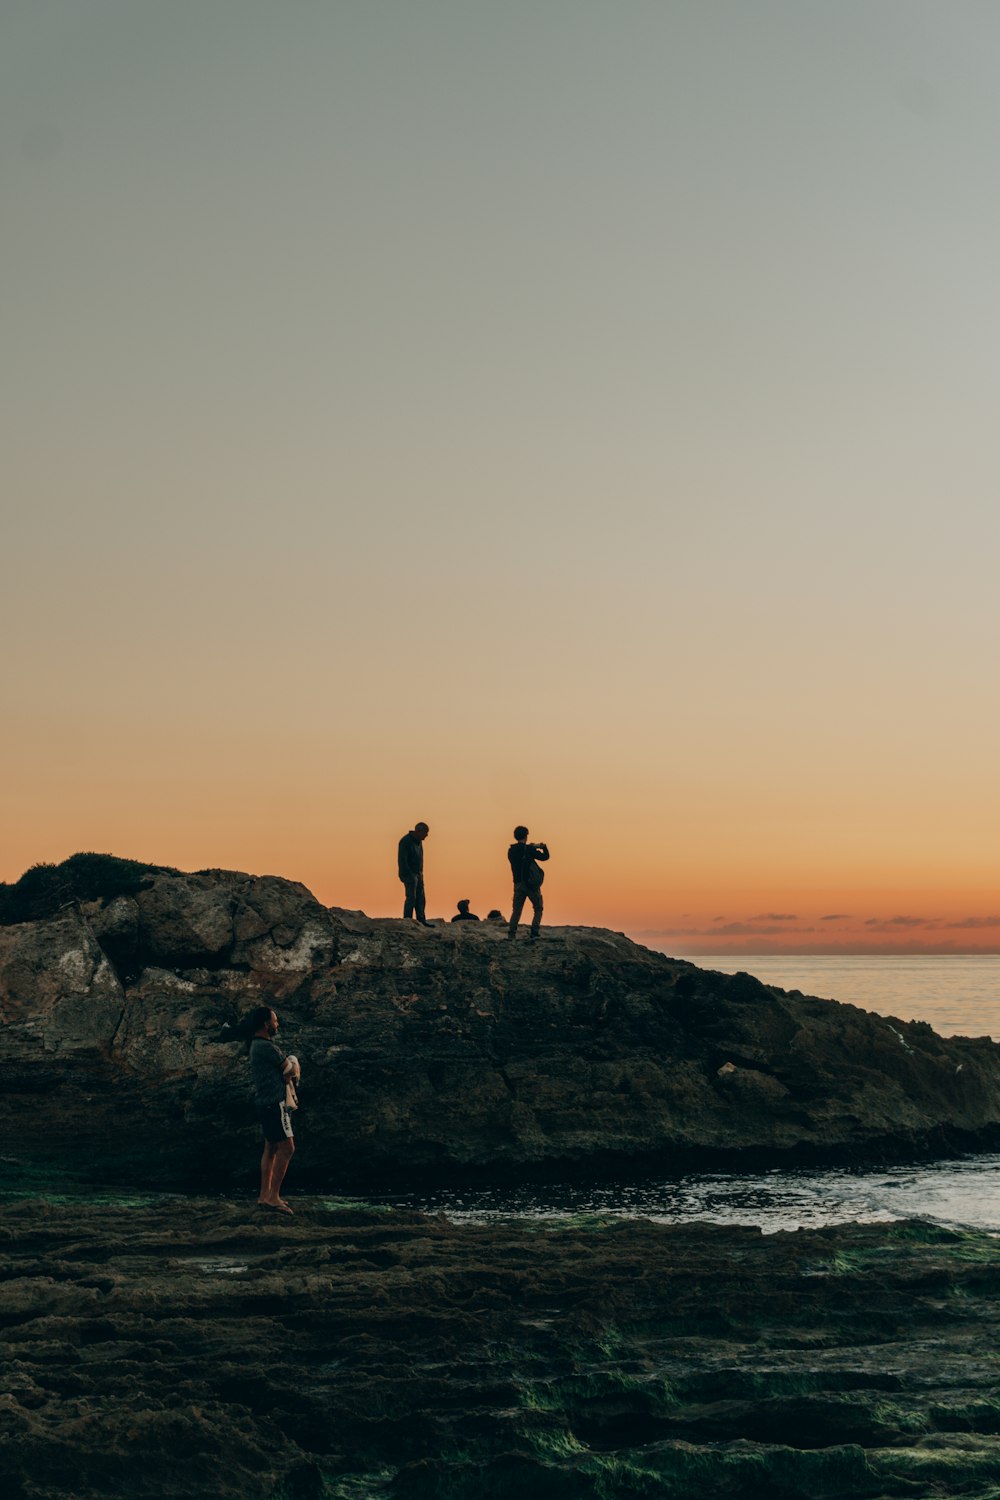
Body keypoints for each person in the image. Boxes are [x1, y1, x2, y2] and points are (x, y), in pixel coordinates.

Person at [246, 1005, 300, 1214]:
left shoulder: (256, 1045)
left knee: (270, 1149)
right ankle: (273, 1197)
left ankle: (264, 1196)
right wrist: (291, 1067)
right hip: (275, 1104)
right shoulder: (267, 1047)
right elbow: (290, 1069)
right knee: (288, 1148)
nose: (277, 1024)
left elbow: (286, 1071)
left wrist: (287, 1071)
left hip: (264, 1103)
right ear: (266, 1024)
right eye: (275, 1021)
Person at [507, 826, 550, 940]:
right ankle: (534, 932)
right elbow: (545, 857)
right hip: (530, 884)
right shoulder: (529, 849)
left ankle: (511, 934)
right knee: (538, 907)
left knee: (516, 911)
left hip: (517, 883)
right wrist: (543, 847)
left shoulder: (511, 850)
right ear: (526, 836)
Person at [398, 822, 431, 925]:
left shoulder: (419, 842)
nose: (427, 835)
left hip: (418, 873)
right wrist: (409, 874)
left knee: (421, 898)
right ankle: (408, 920)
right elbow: (402, 860)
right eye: (425, 832)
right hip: (409, 874)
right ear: (419, 831)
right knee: (411, 897)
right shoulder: (406, 841)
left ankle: (421, 920)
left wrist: (420, 874)